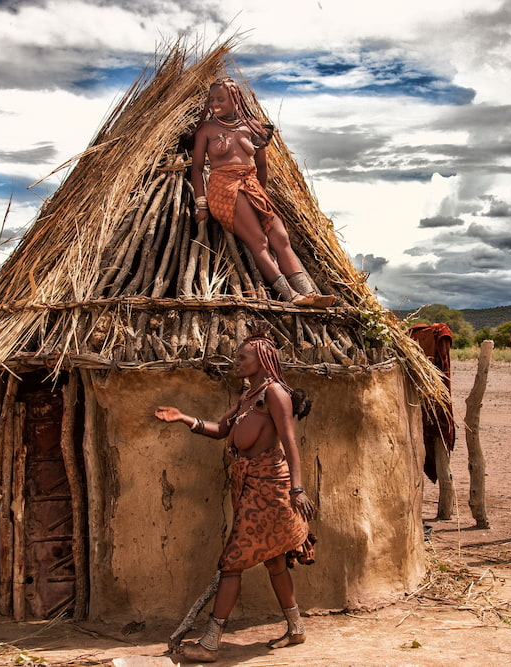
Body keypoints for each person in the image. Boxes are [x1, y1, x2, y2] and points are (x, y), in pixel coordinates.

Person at [154, 321, 316, 663]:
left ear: (262, 359)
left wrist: (297, 489)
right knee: (274, 560)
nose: (236, 362)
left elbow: (290, 442)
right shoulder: (248, 397)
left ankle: (210, 644)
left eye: (242, 357)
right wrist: (183, 418)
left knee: (232, 563)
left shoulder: (275, 394)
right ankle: (297, 629)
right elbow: (220, 430)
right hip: (248, 487)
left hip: (270, 488)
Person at [191, 77, 335, 308]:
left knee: (281, 237)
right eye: (212, 99)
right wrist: (201, 203)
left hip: (252, 186)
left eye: (221, 99)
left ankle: (309, 293)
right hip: (224, 188)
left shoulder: (253, 127)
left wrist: (260, 193)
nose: (214, 104)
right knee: (259, 240)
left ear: (235, 99)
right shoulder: (206, 130)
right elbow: (197, 169)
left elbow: (262, 166)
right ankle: (291, 295)